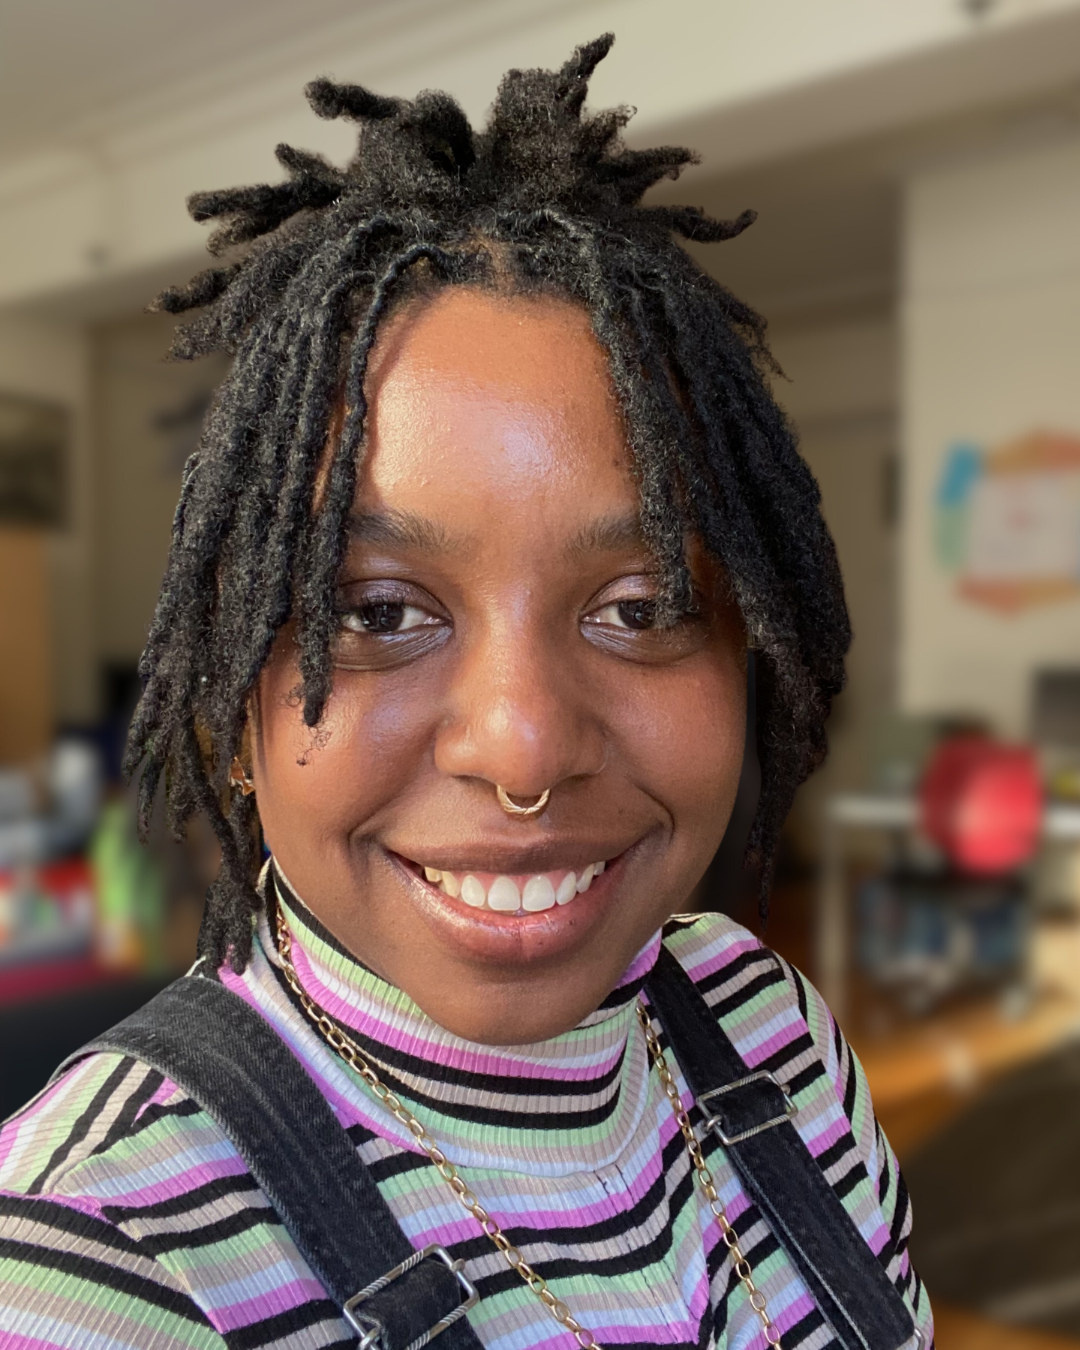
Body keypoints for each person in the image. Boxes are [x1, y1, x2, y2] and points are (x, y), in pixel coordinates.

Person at [0, 35, 932, 1350]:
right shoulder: (99, 1256)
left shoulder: (774, 1032)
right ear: (233, 703)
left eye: (644, 605)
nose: (524, 748)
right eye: (379, 613)